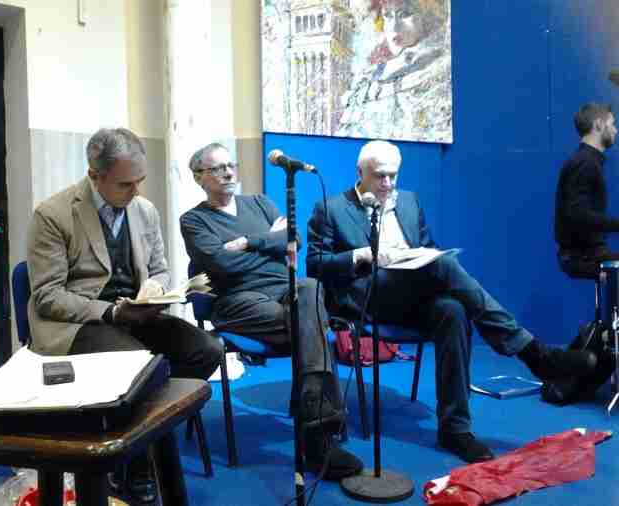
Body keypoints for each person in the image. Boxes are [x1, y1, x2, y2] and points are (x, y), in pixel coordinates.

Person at [306, 140, 597, 464]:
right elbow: (315, 264)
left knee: (453, 310)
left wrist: (426, 256)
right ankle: (534, 353)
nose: (387, 183)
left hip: (409, 293)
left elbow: (428, 247)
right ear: (360, 172)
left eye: (393, 176)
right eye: (379, 176)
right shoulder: (331, 208)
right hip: (366, 298)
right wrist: (360, 255)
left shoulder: (409, 202)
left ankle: (454, 429)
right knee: (445, 268)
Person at [27, 128, 222, 503]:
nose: (135, 191)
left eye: (140, 181)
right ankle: (133, 463)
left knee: (206, 350)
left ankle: (141, 438)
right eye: (125, 184)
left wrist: (157, 291)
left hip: (136, 314)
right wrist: (112, 311)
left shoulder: (144, 210)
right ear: (94, 175)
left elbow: (160, 269)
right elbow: (47, 296)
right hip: (80, 322)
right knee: (137, 365)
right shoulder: (52, 215)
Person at [179, 143, 362, 480]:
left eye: (231, 165)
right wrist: (271, 240)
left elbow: (295, 241)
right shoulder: (193, 220)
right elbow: (222, 264)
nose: (228, 173)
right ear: (198, 177)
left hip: (286, 291)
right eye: (217, 168)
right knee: (312, 326)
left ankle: (314, 428)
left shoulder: (260, 202)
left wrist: (249, 243)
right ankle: (319, 436)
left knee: (310, 288)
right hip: (238, 300)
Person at [338, 0, 452, 142]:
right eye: (387, 15)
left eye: (405, 14)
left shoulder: (440, 70)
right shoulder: (370, 76)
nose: (394, 27)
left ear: (426, 16)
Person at [555, 103, 619, 278]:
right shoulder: (585, 162)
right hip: (583, 257)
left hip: (589, 254)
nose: (615, 130)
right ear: (598, 124)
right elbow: (577, 215)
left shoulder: (587, 161)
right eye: (612, 124)